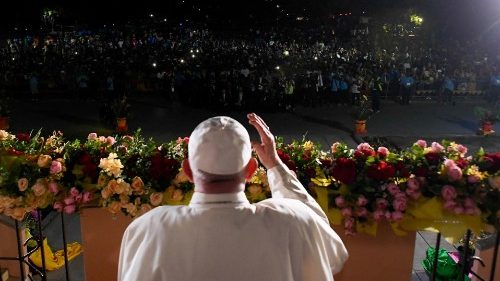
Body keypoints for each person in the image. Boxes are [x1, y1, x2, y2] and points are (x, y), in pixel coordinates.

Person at [118, 113, 348, 281]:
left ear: (187, 171)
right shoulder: (292, 221)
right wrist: (275, 165)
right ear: (250, 171)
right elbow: (333, 252)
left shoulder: (149, 229)